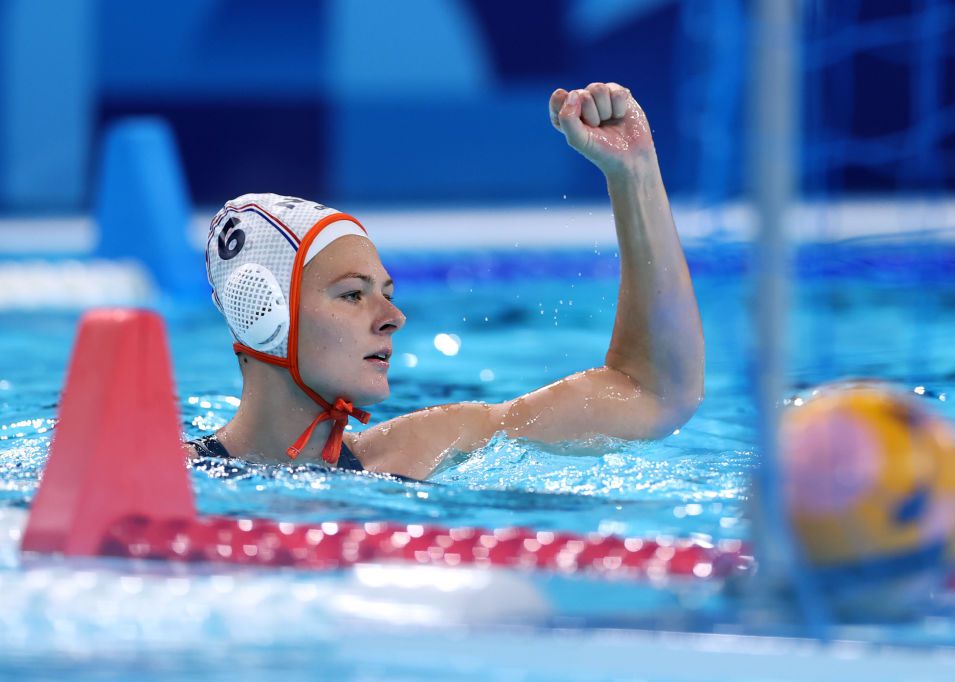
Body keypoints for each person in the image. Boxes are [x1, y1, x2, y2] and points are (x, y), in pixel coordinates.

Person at [188, 82, 705, 480]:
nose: (393, 318)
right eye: (352, 294)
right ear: (263, 313)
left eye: (387, 295)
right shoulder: (175, 471)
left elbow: (655, 393)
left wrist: (634, 174)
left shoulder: (421, 448)